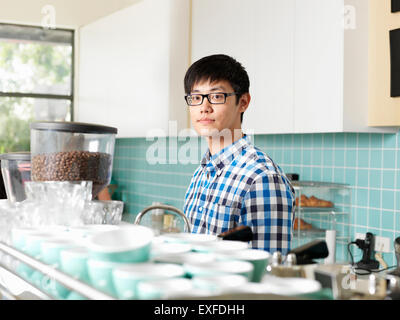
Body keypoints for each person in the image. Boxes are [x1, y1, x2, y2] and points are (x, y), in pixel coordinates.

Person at [182, 54, 295, 255]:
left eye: (216, 96)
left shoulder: (262, 178)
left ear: (243, 102)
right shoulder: (201, 173)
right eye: (196, 97)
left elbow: (266, 270)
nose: (204, 108)